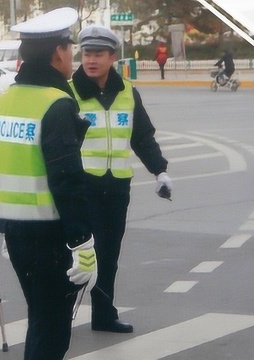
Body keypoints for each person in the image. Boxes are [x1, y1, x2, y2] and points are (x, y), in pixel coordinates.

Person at [0, 7, 97, 360]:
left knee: (40, 318)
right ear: (58, 53)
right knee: (52, 331)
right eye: (71, 51)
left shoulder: (4, 101)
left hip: (17, 235)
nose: (73, 58)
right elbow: (66, 179)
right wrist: (82, 242)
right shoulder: (57, 104)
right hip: (52, 237)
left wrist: (7, 227)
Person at [69, 25, 173, 334]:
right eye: (87, 53)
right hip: (80, 187)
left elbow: (142, 137)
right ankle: (61, 314)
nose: (91, 60)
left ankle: (103, 314)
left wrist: (160, 171)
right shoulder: (68, 92)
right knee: (76, 254)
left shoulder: (127, 92)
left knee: (108, 254)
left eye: (98, 54)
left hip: (115, 188)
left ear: (112, 56)